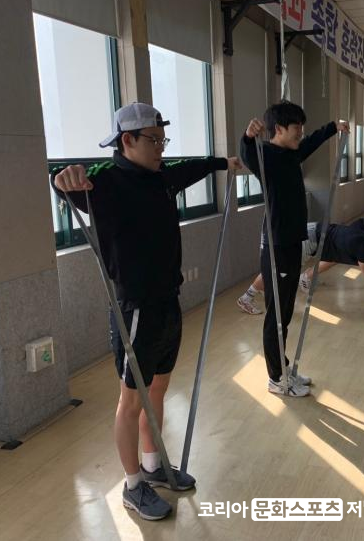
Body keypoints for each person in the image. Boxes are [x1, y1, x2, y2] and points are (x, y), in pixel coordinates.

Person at [52, 103, 242, 520]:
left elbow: (190, 168)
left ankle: (154, 466)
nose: (161, 148)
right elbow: (67, 182)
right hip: (134, 309)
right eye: (154, 141)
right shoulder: (105, 181)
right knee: (131, 400)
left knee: (157, 390)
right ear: (127, 140)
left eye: (162, 140)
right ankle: (133, 484)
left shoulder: (160, 177)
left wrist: (222, 163)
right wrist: (61, 178)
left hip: (168, 302)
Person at [240, 101, 349, 397]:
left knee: (285, 313)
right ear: (279, 129)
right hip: (276, 245)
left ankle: (284, 368)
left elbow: (310, 142)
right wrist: (248, 137)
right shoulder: (265, 155)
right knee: (276, 315)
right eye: (296, 127)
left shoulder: (291, 153)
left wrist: (332, 128)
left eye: (302, 126)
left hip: (290, 243)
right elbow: (247, 154)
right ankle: (276, 378)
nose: (301, 131)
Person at [299, 223, 364, 318]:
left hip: (314, 229)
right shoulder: (363, 250)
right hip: (308, 239)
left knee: (334, 259)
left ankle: (306, 276)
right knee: (290, 273)